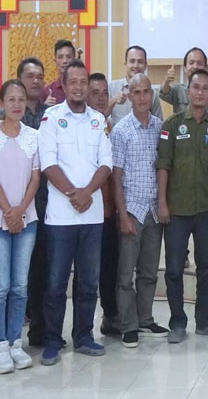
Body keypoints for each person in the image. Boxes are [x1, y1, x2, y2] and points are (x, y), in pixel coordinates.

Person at [37, 60, 113, 365]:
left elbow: (106, 163)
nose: (80, 87)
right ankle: (53, 340)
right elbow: (48, 164)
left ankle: (84, 336)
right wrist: (74, 193)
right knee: (56, 282)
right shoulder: (51, 118)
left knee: (88, 281)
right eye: (74, 82)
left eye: (84, 82)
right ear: (64, 85)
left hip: (91, 216)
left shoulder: (98, 120)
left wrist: (87, 193)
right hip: (61, 217)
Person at [157, 68, 208, 344]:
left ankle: (205, 320)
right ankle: (177, 323)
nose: (200, 92)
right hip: (176, 210)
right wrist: (162, 203)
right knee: (174, 269)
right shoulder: (172, 125)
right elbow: (163, 166)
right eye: (195, 87)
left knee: (207, 267)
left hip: (207, 210)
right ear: (188, 91)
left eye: (205, 88)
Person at [111, 73, 168, 348]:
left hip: (154, 211)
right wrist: (122, 215)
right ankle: (128, 325)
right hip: (132, 210)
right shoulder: (121, 130)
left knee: (149, 272)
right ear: (129, 95)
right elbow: (116, 176)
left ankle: (145, 319)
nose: (143, 97)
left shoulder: (160, 127)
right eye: (138, 92)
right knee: (126, 275)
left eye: (147, 92)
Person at [0, 80, 40, 373]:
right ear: (2, 103)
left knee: (20, 286)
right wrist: (8, 212)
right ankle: (1, 343)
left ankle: (16, 341)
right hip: (1, 218)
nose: (16, 104)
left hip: (27, 219)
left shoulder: (33, 137)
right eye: (11, 99)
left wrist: (20, 211)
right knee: (1, 286)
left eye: (21, 99)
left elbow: (36, 179)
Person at [13, 58, 50, 348]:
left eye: (40, 76)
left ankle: (39, 331)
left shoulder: (52, 116)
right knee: (10, 279)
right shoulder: (8, 118)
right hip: (12, 207)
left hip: (46, 206)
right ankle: (8, 338)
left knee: (40, 273)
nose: (36, 81)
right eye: (30, 76)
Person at [86, 74, 120, 337]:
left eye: (104, 93)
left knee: (111, 268)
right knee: (88, 273)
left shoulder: (113, 127)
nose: (100, 98)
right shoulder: (81, 127)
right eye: (94, 92)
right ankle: (82, 328)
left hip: (111, 213)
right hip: (86, 212)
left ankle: (111, 316)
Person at [107, 45, 163, 125]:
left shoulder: (152, 94)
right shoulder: (111, 87)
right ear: (125, 63)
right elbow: (100, 117)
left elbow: (159, 124)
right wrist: (114, 100)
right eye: (132, 61)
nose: (136, 66)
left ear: (145, 65)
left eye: (140, 62)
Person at [159, 47, 208, 116]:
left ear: (205, 68)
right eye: (191, 63)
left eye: (199, 63)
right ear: (185, 68)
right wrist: (167, 80)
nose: (195, 66)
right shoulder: (178, 89)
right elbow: (164, 92)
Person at [41, 39, 75, 105]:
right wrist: (44, 107)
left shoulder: (81, 89)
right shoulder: (47, 91)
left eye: (68, 57)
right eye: (60, 57)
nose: (65, 61)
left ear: (74, 59)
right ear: (55, 61)